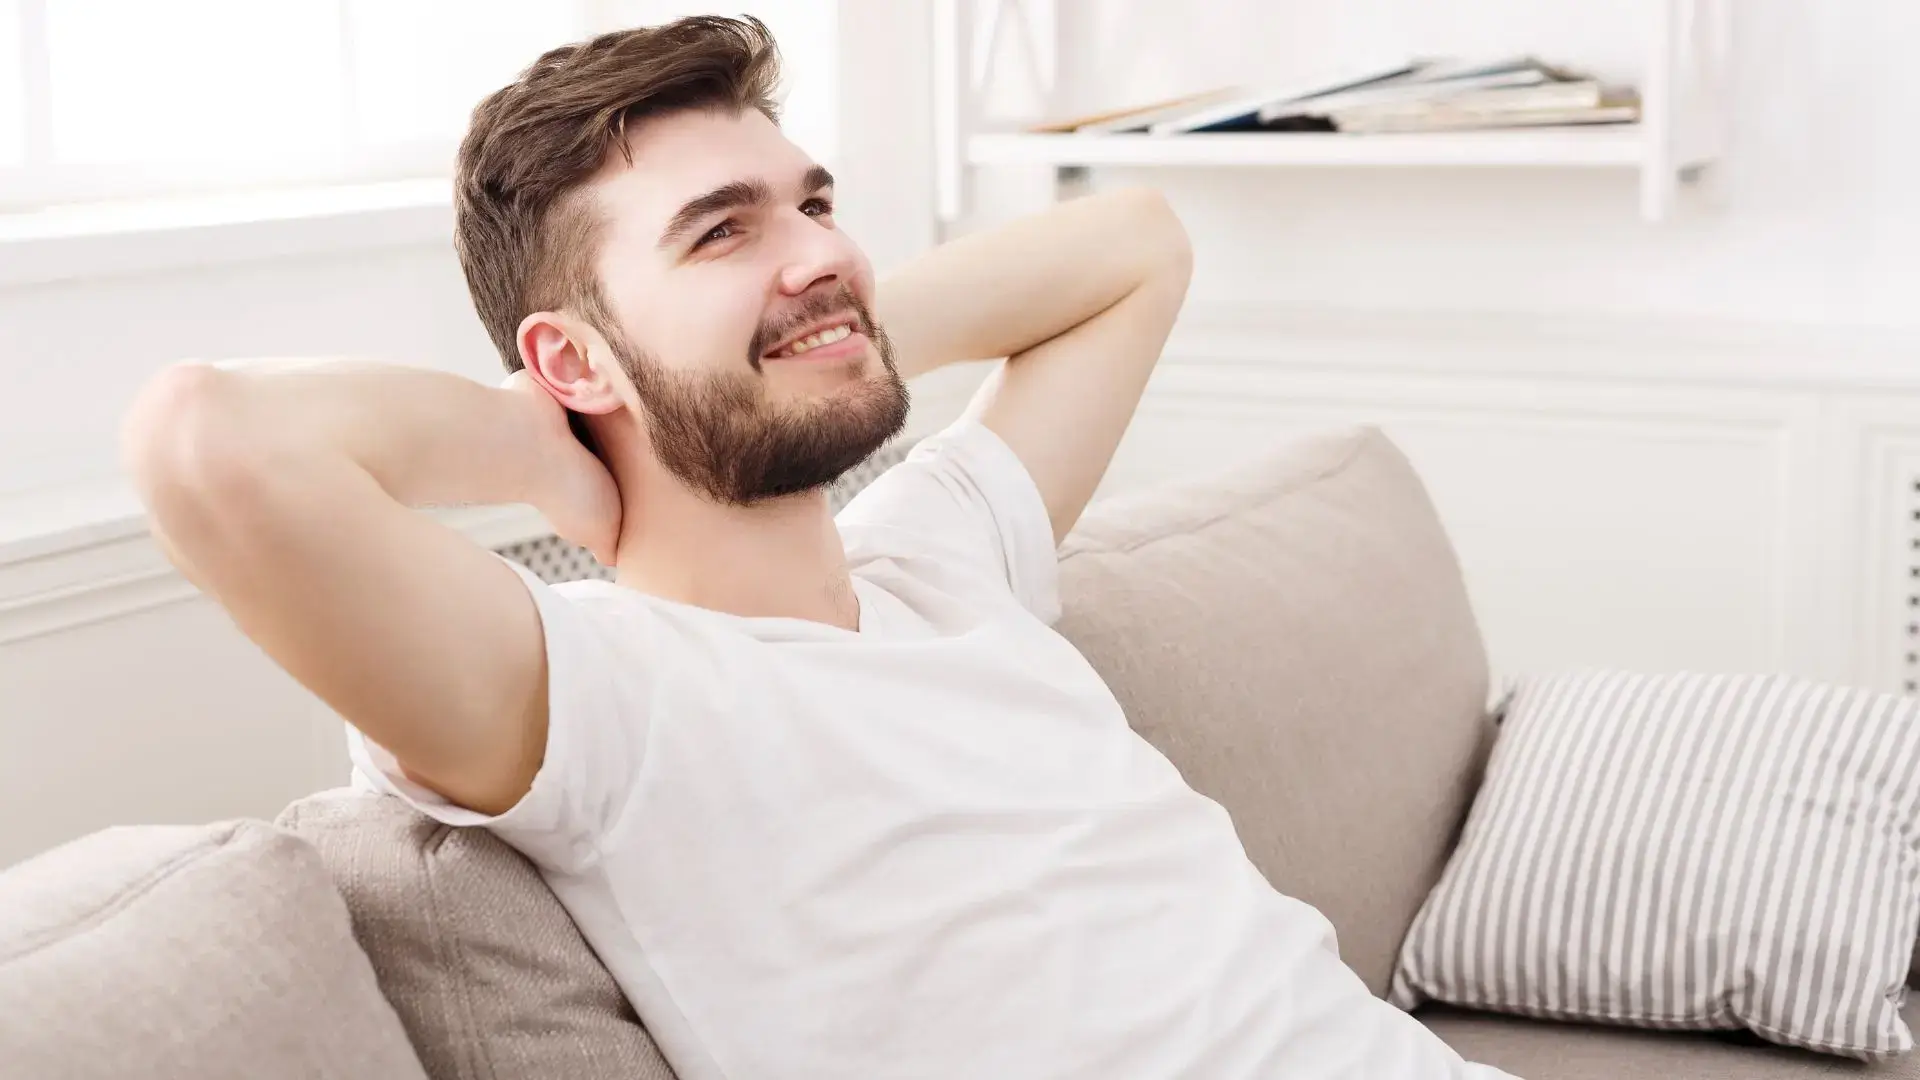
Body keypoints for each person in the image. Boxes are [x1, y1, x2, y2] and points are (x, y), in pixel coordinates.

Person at [121, 16, 1513, 1080]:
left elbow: (1137, 244)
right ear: (570, 356)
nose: (816, 248)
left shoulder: (940, 562)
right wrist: (544, 433)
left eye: (814, 204)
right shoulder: (604, 702)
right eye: (722, 230)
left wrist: (809, 318)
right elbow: (209, 445)